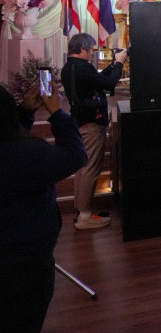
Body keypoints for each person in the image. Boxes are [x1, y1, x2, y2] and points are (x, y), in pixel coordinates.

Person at [0, 82, 86, 332]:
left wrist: (25, 112)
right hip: (26, 263)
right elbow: (74, 155)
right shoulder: (29, 154)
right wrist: (57, 113)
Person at [61, 32, 126, 230]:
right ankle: (85, 216)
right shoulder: (83, 67)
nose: (91, 54)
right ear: (82, 49)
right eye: (90, 50)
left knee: (83, 167)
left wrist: (113, 65)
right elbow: (108, 83)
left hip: (80, 121)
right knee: (90, 168)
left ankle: (82, 210)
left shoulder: (70, 67)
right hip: (91, 124)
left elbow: (98, 79)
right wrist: (119, 63)